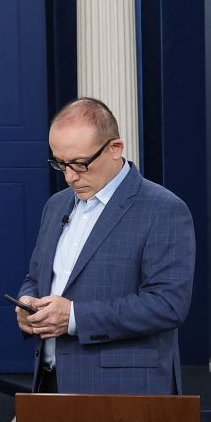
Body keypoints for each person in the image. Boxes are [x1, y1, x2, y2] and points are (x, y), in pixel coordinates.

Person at [16, 98, 195, 394]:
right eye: (60, 164)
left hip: (123, 390)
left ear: (115, 148)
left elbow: (168, 305)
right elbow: (36, 278)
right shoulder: (55, 205)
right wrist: (29, 305)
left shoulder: (164, 209)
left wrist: (74, 318)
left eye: (80, 164)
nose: (70, 177)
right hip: (50, 382)